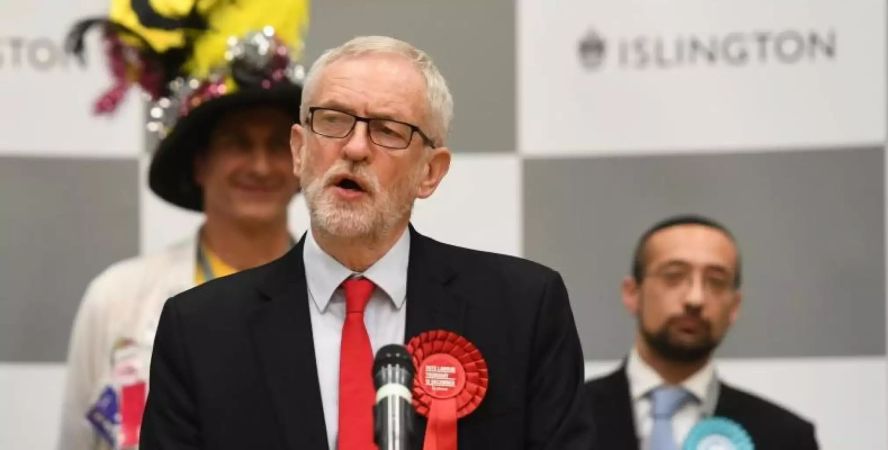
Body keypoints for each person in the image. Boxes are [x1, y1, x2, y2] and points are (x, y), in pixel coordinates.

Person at [139, 35, 596, 450]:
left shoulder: (522, 308)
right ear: (299, 151)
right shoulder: (199, 329)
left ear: (430, 172)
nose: (355, 148)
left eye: (388, 130)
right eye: (333, 121)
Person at [57, 1, 308, 448]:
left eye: (277, 144)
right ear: (199, 164)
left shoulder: (339, 299)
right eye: (237, 143)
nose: (260, 165)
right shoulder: (117, 299)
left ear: (302, 163)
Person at [586, 215, 818, 449]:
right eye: (674, 276)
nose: (695, 299)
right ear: (632, 293)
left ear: (735, 306)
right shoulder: (563, 417)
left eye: (716, 281)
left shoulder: (787, 437)